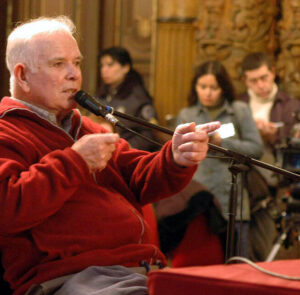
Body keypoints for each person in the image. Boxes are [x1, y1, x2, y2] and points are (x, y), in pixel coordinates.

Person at [0, 16, 220, 295]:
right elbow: (7, 209)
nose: (74, 74)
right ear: (22, 75)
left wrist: (175, 157)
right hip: (69, 276)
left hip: (139, 267)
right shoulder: (6, 131)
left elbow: (139, 178)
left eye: (77, 63)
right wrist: (75, 162)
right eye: (59, 64)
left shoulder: (83, 126)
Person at [176, 60, 264, 258]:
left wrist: (221, 143)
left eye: (213, 88)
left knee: (237, 266)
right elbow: (178, 156)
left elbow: (256, 149)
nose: (207, 93)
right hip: (198, 203)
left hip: (233, 201)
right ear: (195, 87)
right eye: (203, 87)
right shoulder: (187, 114)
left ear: (223, 88)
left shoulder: (239, 110)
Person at [240, 52, 300, 189]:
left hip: (279, 170)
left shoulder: (290, 105)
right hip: (244, 166)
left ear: (272, 72)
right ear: (245, 80)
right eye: (253, 81)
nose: (260, 85)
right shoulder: (238, 105)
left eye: (263, 78)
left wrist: (274, 136)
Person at [95, 46, 159, 152]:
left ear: (125, 67)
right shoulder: (102, 93)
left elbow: (148, 133)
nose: (104, 70)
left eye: (110, 65)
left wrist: (124, 149)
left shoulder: (138, 97)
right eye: (102, 66)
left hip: (126, 154)